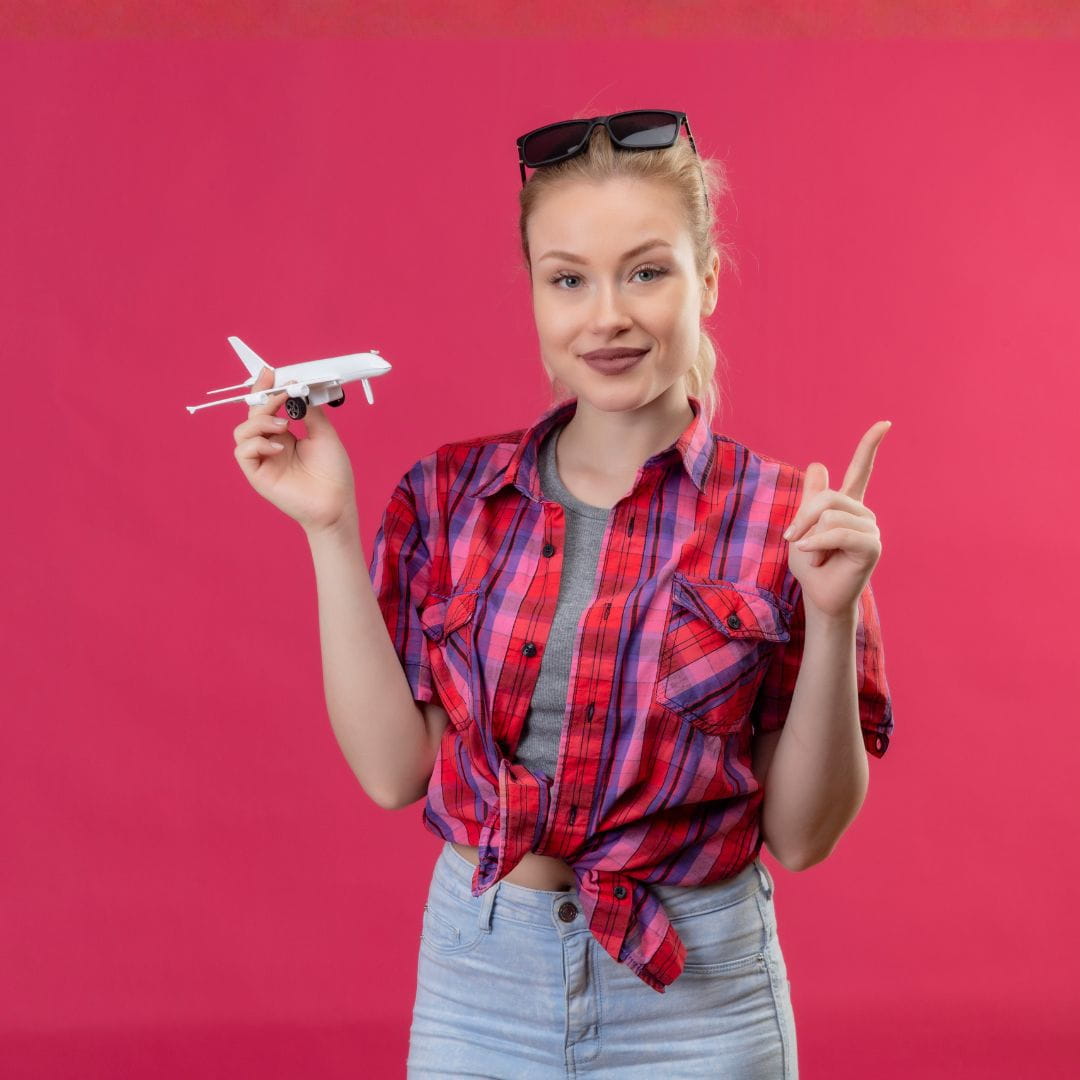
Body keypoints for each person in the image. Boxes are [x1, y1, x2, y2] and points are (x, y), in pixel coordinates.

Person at [232, 109, 894, 1078]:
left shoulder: (789, 518)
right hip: (481, 981)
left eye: (647, 271)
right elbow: (391, 773)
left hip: (698, 1000)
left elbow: (804, 837)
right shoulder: (448, 496)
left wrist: (829, 618)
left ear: (706, 280)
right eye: (568, 279)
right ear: (536, 296)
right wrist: (328, 526)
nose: (607, 315)